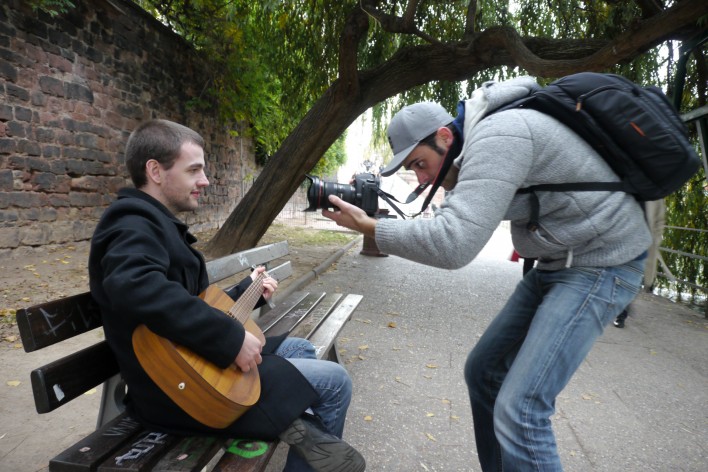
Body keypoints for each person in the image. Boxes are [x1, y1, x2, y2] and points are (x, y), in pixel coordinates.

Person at [322, 77, 651, 471]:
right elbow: (451, 221)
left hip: (601, 261)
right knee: (484, 371)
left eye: (420, 165)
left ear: (445, 136)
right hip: (559, 260)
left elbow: (454, 244)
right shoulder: (477, 144)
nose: (422, 178)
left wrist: (371, 227)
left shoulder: (500, 134)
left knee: (522, 408)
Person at [88, 119, 365, 472]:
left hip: (192, 360)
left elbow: (186, 299)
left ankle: (293, 419)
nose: (204, 181)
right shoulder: (129, 224)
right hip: (178, 389)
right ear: (155, 171)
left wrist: (246, 293)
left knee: (300, 349)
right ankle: (293, 420)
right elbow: (135, 286)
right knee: (335, 381)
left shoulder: (151, 222)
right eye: (194, 171)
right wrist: (230, 338)